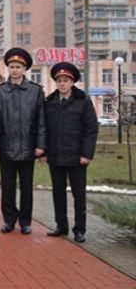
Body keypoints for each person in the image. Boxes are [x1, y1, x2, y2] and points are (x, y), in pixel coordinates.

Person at [0, 48, 46, 235]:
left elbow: (41, 121)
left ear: (24, 69)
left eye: (18, 67)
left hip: (27, 147)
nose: (14, 70)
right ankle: (9, 220)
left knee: (26, 187)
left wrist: (40, 145)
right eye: (12, 67)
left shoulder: (35, 91)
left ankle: (25, 222)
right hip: (6, 147)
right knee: (7, 188)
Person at [43, 62, 98, 243]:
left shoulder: (83, 101)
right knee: (58, 193)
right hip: (56, 156)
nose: (62, 84)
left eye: (65, 80)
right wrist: (44, 153)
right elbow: (44, 129)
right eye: (59, 80)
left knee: (79, 195)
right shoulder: (49, 102)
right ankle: (61, 226)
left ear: (72, 81)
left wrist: (86, 154)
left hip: (77, 158)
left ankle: (80, 229)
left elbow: (91, 130)